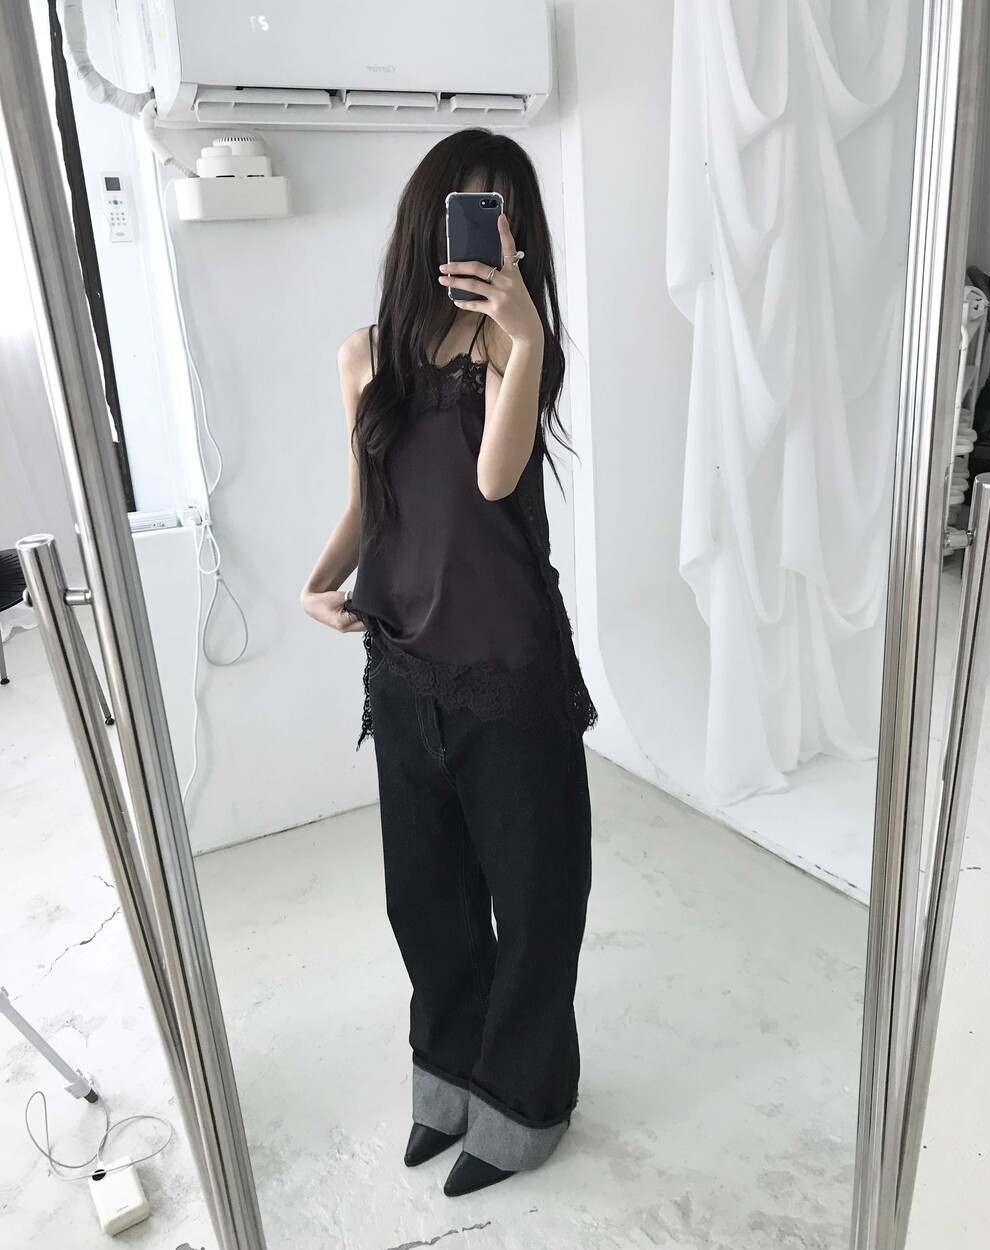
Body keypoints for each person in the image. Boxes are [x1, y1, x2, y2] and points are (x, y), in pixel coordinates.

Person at [301, 129, 597, 1197]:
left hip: (507, 669)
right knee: (424, 901)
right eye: (472, 209)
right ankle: (451, 1074)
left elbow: (493, 477)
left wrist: (522, 337)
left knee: (536, 899)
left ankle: (525, 1101)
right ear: (427, 221)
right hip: (403, 668)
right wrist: (317, 578)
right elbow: (369, 499)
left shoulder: (520, 347)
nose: (488, 234)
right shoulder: (364, 355)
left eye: (505, 215)